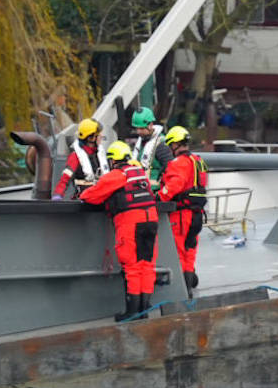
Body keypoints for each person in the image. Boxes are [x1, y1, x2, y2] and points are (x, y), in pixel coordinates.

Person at [79, 141, 160, 319]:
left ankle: (132, 312)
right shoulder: (139, 174)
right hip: (151, 220)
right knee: (147, 266)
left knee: (132, 267)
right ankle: (144, 310)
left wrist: (83, 192)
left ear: (113, 160)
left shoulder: (116, 176)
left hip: (131, 222)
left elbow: (90, 196)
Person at [157, 126, 206, 296]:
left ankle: (182, 291)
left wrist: (159, 197)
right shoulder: (198, 160)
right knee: (190, 251)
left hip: (182, 215)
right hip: (197, 214)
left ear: (175, 144)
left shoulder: (178, 163)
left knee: (178, 251)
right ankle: (188, 287)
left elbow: (174, 185)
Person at [51, 118, 103, 200]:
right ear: (91, 138)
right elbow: (64, 179)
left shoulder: (100, 154)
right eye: (98, 135)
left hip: (101, 199)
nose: (101, 136)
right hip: (85, 201)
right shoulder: (75, 157)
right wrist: (57, 195)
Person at [129, 105, 165, 176]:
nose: (138, 132)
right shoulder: (141, 140)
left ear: (150, 125)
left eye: (141, 128)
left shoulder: (161, 143)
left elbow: (168, 167)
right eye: (137, 128)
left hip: (154, 182)